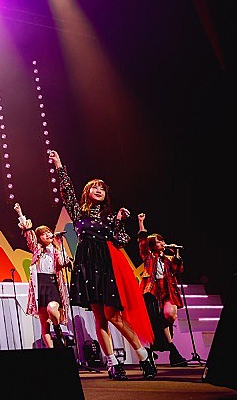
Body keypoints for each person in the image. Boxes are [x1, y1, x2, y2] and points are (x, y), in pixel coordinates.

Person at [50, 150, 156, 380]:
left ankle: (143, 355)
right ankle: (112, 363)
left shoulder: (110, 218)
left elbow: (121, 241)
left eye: (102, 188)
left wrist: (119, 221)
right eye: (94, 187)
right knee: (100, 317)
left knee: (113, 315)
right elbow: (67, 192)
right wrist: (59, 165)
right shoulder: (78, 213)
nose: (98, 190)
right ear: (87, 192)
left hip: (107, 266)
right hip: (87, 265)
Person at [14, 202, 72, 348]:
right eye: (44, 233)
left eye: (49, 232)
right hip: (40, 285)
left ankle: (57, 328)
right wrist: (20, 214)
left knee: (52, 308)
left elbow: (63, 262)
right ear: (39, 238)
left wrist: (59, 243)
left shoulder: (56, 250)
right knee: (44, 324)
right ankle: (52, 352)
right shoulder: (37, 249)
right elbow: (29, 233)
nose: (48, 234)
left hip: (53, 284)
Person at [136, 213, 188, 366]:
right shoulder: (148, 256)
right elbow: (142, 241)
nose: (162, 243)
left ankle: (166, 344)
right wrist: (141, 222)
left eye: (162, 240)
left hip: (167, 290)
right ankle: (171, 350)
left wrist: (176, 253)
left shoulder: (168, 258)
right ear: (153, 245)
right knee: (156, 320)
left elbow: (178, 270)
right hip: (152, 291)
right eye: (158, 241)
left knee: (169, 315)